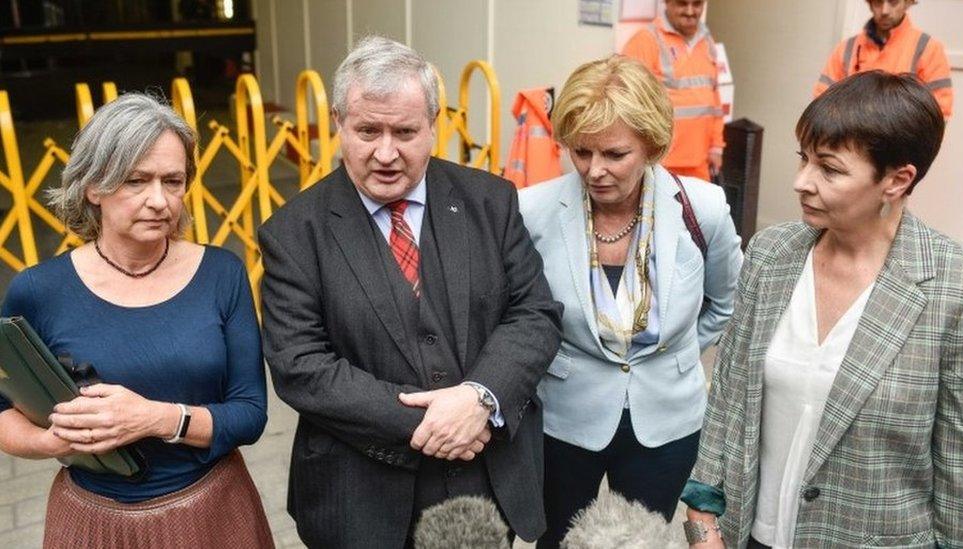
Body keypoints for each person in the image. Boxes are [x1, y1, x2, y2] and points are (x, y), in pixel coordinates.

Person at [258, 36, 562, 548]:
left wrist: (480, 399)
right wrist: (442, 423)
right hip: (362, 499)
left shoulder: (491, 201)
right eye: (367, 131)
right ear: (338, 123)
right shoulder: (294, 232)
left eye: (404, 132)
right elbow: (301, 366)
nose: (385, 153)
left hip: (487, 486)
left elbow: (534, 314)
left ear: (433, 124)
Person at [683, 71, 963, 548]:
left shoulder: (957, 288)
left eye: (830, 169)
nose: (801, 182)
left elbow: (962, 470)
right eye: (803, 160)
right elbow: (728, 402)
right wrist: (702, 526)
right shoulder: (771, 255)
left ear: (897, 180)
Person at [0, 94, 272, 548]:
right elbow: (4, 410)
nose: (159, 201)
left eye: (174, 180)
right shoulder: (38, 290)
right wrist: (51, 444)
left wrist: (154, 418)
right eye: (136, 181)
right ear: (93, 186)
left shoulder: (223, 274)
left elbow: (250, 415)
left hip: (212, 514)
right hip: (92, 521)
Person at [519, 55, 742, 548]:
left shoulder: (701, 209)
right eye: (580, 152)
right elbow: (518, 319)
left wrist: (673, 353)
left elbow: (727, 304)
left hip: (665, 417)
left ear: (652, 146)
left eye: (615, 155)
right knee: (556, 538)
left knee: (641, 540)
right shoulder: (531, 212)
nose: (594, 171)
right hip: (565, 413)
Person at [622, 0, 725, 181]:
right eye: (682, 4)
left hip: (699, 162)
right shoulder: (645, 40)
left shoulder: (707, 41)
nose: (690, 11)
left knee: (698, 209)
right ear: (667, 3)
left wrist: (716, 146)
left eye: (697, 4)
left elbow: (714, 99)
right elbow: (627, 104)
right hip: (660, 162)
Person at [814, 0, 953, 118]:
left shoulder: (928, 48)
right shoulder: (846, 48)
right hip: (850, 144)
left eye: (893, 1)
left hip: (901, 145)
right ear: (869, 3)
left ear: (908, 2)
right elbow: (822, 102)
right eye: (878, 1)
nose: (885, 10)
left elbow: (939, 111)